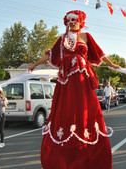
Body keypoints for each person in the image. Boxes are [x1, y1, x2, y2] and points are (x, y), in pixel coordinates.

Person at [28, 10, 120, 169]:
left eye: (74, 19)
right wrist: (34, 65)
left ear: (80, 21)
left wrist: (112, 64)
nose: (71, 22)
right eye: (68, 20)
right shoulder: (62, 38)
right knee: (66, 109)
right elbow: (49, 55)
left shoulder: (86, 37)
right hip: (66, 80)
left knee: (84, 108)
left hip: (82, 78)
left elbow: (99, 53)